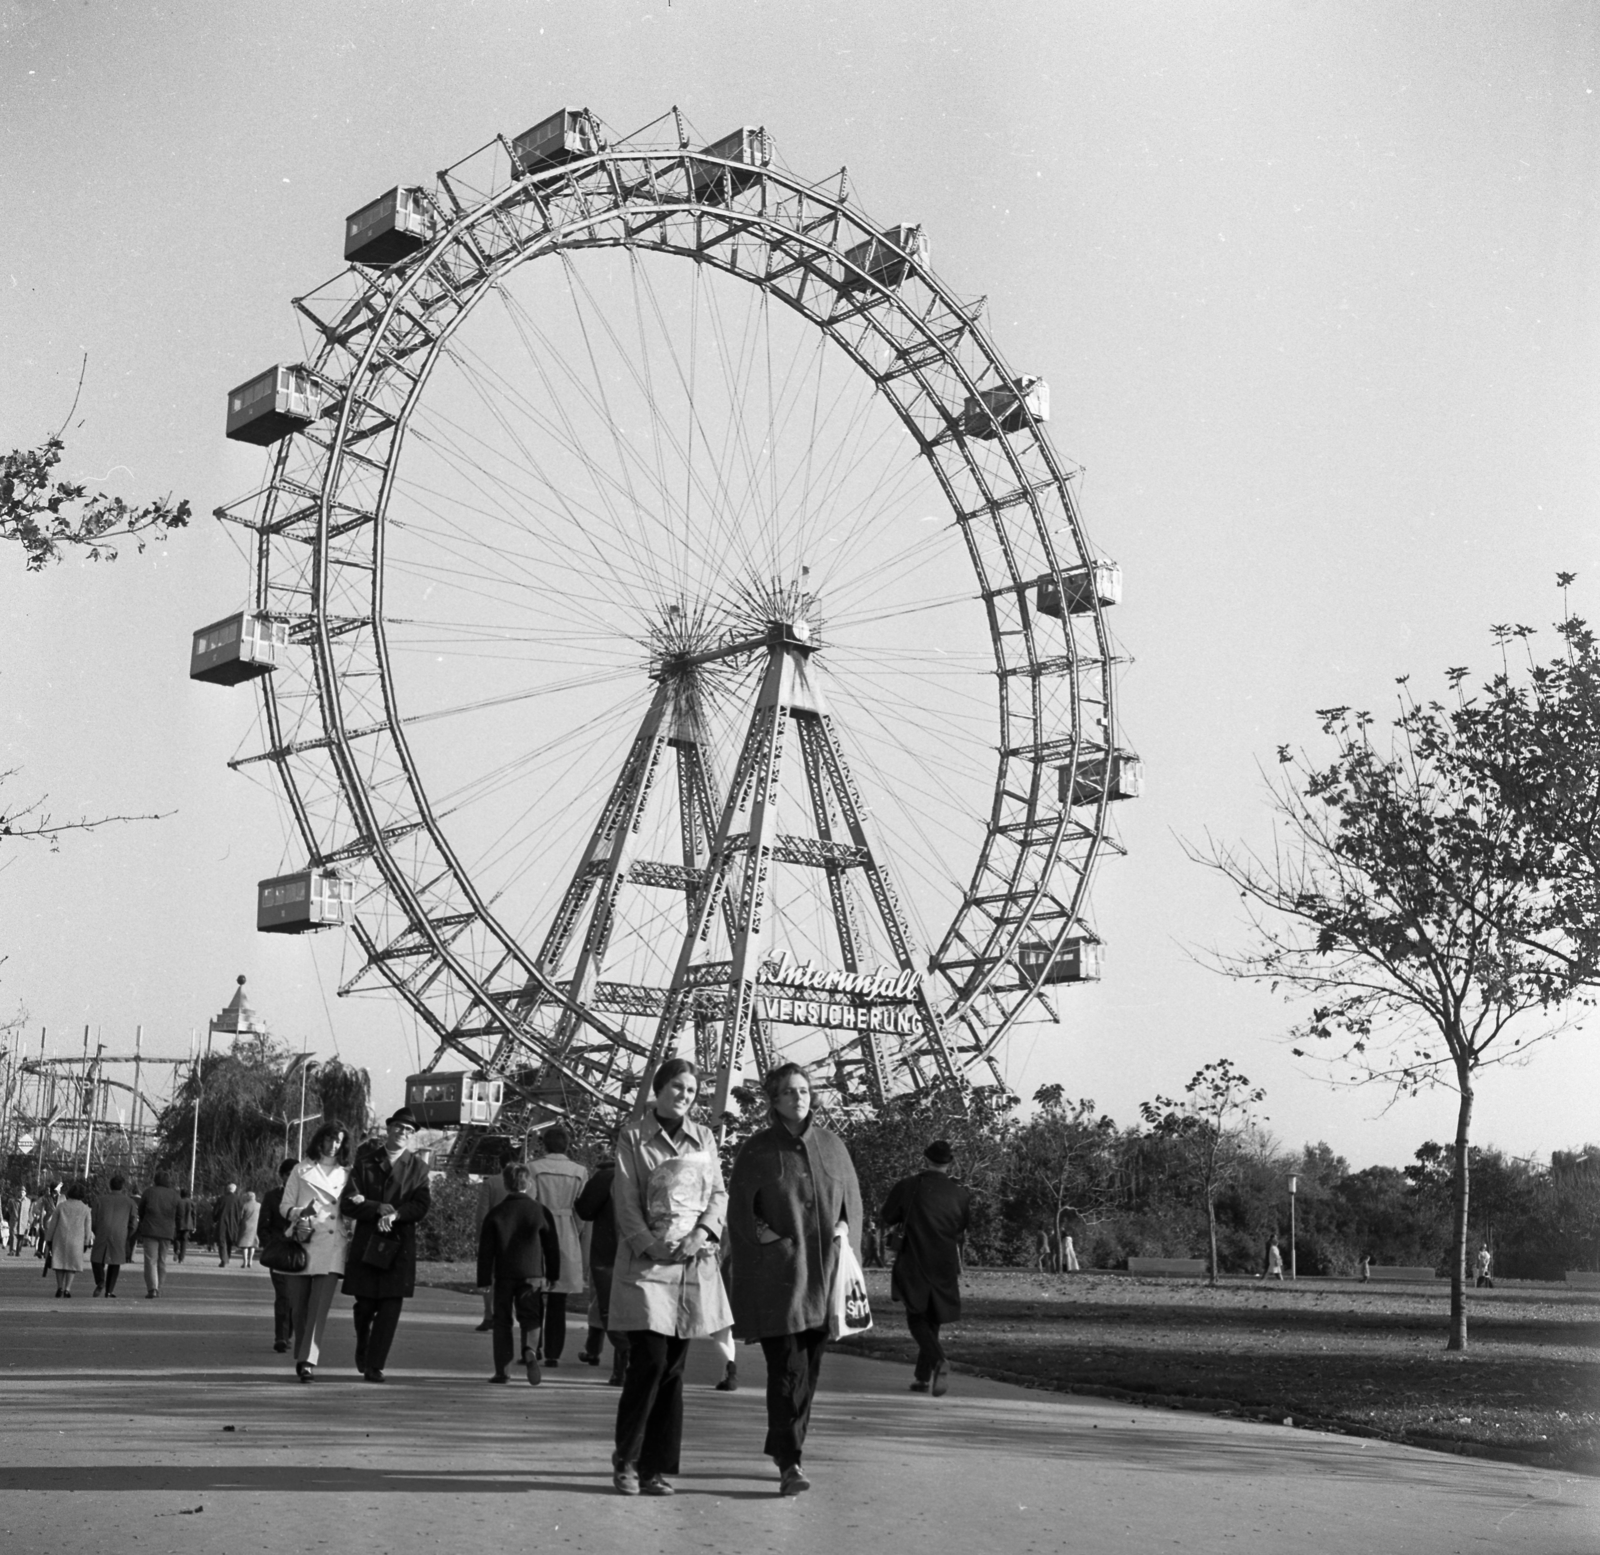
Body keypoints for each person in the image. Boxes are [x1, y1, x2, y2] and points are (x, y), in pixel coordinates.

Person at [727, 1061, 863, 1497]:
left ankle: (784, 1445)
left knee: (809, 1369)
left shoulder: (833, 1146)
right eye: (788, 1091)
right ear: (773, 1100)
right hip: (779, 1279)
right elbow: (741, 1211)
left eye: (803, 1089)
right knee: (786, 1369)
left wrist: (844, 1233)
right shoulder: (757, 1150)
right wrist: (769, 1239)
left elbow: (852, 1206)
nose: (798, 1097)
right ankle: (791, 1461)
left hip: (824, 1277)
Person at [609, 1057, 734, 1497]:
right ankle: (627, 1458)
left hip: (690, 1264)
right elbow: (625, 1199)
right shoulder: (633, 1138)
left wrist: (703, 1232)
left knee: (673, 1369)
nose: (685, 1096)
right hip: (648, 1264)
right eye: (678, 1087)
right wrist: (649, 1243)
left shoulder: (704, 1138)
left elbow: (717, 1192)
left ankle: (654, 1467)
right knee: (651, 1362)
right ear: (659, 1090)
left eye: (692, 1091)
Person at [340, 1108, 432, 1382]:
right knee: (365, 1306)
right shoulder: (365, 1162)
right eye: (400, 1128)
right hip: (369, 1246)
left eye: (410, 1131)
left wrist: (396, 1214)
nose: (404, 1133)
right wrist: (376, 1207)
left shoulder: (419, 1168)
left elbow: (421, 1205)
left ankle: (374, 1365)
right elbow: (348, 1202)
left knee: (390, 1308)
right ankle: (363, 1345)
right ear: (388, 1129)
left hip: (399, 1247)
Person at [881, 1139, 972, 1398]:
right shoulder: (960, 1193)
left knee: (916, 1317)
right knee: (933, 1316)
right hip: (944, 1262)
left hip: (915, 1257)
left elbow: (888, 1215)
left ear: (925, 1159)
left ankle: (939, 1360)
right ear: (950, 1163)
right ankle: (922, 1378)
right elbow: (961, 1227)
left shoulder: (909, 1186)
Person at [477, 1161, 562, 1385]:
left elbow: (486, 1250)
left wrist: (484, 1279)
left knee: (502, 1320)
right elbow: (551, 1245)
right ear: (529, 1183)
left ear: (505, 1184)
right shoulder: (540, 1210)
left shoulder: (496, 1213)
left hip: (504, 1274)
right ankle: (530, 1350)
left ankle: (502, 1371)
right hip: (532, 1273)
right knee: (531, 1317)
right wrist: (553, 1274)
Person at [280, 1123, 351, 1382]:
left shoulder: (347, 1174)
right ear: (320, 1140)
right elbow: (285, 1205)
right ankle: (303, 1352)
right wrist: (299, 1213)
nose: (334, 1145)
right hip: (302, 1241)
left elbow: (351, 1209)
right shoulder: (301, 1170)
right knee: (298, 1307)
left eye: (339, 1141)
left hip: (332, 1245)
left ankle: (308, 1360)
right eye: (330, 1139)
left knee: (318, 1308)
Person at [528, 1126, 587, 1367]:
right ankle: (553, 1352)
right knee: (558, 1299)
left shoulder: (533, 1168)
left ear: (544, 1144)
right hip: (566, 1231)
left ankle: (534, 1346)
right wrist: (576, 1231)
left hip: (539, 1230)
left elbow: (529, 1203)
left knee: (535, 1293)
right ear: (567, 1145)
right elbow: (581, 1212)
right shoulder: (579, 1171)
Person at [575, 1152, 629, 1385]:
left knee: (609, 1311)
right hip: (643, 1253)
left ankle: (622, 1368)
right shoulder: (651, 1173)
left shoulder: (606, 1177)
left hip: (608, 1254)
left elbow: (585, 1210)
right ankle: (623, 1368)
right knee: (632, 1313)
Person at [472, 1150, 513, 1333]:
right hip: (518, 1239)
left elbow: (482, 1213)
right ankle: (507, 1315)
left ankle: (489, 1314)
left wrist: (479, 1237)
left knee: (490, 1278)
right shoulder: (530, 1183)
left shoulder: (491, 1183)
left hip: (494, 1236)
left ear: (500, 1164)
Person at [260, 1159, 299, 1353]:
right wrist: (272, 1245)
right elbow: (263, 1227)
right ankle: (281, 1337)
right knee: (283, 1294)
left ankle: (288, 1332)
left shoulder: (306, 1197)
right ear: (282, 1176)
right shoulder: (272, 1197)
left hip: (301, 1253)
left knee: (295, 1297)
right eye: (289, 1173)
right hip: (280, 1254)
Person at [133, 1170, 182, 1298]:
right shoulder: (175, 1195)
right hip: (167, 1231)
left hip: (150, 1229)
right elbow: (179, 1215)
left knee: (150, 1260)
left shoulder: (149, 1192)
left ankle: (152, 1289)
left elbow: (141, 1210)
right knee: (162, 1260)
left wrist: (144, 1222)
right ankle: (159, 1287)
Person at [90, 1172, 139, 1297]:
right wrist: (128, 1234)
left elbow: (93, 1220)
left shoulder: (100, 1200)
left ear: (110, 1186)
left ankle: (101, 1280)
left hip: (102, 1232)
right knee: (115, 1262)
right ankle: (109, 1290)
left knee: (96, 1259)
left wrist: (97, 1230)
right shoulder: (130, 1202)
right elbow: (133, 1222)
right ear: (123, 1186)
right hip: (120, 1234)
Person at [45, 1181, 94, 1297]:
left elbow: (53, 1225)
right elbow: (88, 1228)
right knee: (72, 1265)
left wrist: (49, 1239)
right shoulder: (86, 1209)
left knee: (59, 1263)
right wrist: (87, 1242)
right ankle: (67, 1289)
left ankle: (60, 1287)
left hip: (60, 1237)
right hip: (77, 1241)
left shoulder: (61, 1206)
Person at [214, 1182, 245, 1268]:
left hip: (222, 1222)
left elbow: (216, 1211)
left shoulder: (221, 1199)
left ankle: (224, 1259)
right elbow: (240, 1212)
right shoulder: (238, 1199)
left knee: (222, 1241)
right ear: (235, 1190)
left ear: (227, 1189)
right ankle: (227, 1257)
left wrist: (215, 1219)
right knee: (229, 1241)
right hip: (233, 1223)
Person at [238, 1191, 262, 1269]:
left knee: (244, 1244)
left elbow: (241, 1216)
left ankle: (244, 1262)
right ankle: (250, 1261)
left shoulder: (245, 1205)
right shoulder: (259, 1205)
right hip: (255, 1226)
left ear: (248, 1197)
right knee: (253, 1244)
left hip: (246, 1225)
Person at [174, 1189, 196, 1263]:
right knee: (184, 1241)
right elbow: (194, 1215)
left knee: (176, 1238)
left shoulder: (178, 1202)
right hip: (188, 1224)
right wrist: (194, 1226)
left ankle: (177, 1249)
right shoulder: (192, 1203)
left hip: (178, 1223)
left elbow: (175, 1213)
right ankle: (181, 1258)